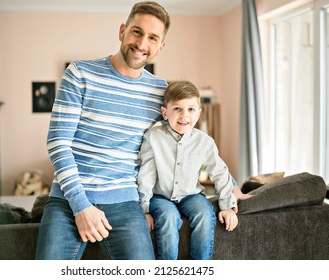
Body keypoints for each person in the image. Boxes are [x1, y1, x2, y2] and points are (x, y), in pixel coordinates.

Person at [36, 1, 171, 260]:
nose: (142, 44)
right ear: (122, 31)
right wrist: (81, 206)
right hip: (68, 199)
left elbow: (181, 140)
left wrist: (227, 183)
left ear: (160, 47)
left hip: (125, 202)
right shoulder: (79, 73)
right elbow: (57, 142)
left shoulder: (160, 92)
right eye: (137, 32)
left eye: (152, 38)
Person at [138, 80, 239, 260]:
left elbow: (220, 172)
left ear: (199, 113)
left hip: (191, 195)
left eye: (191, 109)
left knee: (205, 214)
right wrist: (144, 210)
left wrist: (228, 206)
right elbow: (146, 175)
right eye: (177, 109)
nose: (184, 115)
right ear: (164, 113)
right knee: (169, 218)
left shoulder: (204, 141)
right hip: (160, 197)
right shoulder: (153, 138)